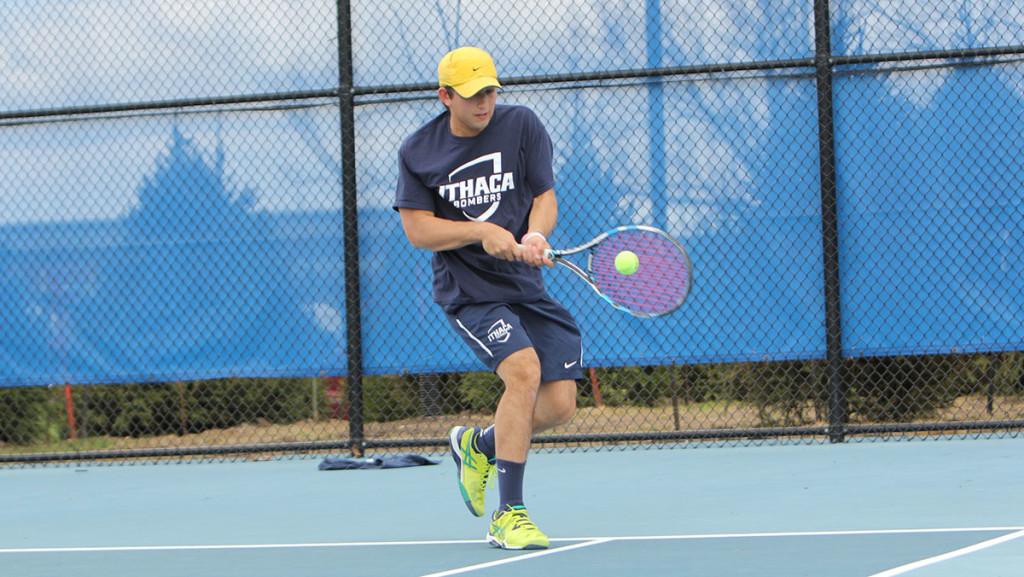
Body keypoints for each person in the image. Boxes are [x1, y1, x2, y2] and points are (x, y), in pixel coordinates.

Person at [393, 46, 583, 550]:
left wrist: (536, 236)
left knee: (560, 404)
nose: (485, 103)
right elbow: (417, 230)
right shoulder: (419, 151)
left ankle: (477, 445)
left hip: (524, 287)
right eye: (474, 95)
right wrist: (480, 231)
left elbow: (543, 196)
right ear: (446, 96)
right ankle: (509, 514)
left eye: (492, 91)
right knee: (523, 371)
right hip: (470, 293)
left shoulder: (521, 126)